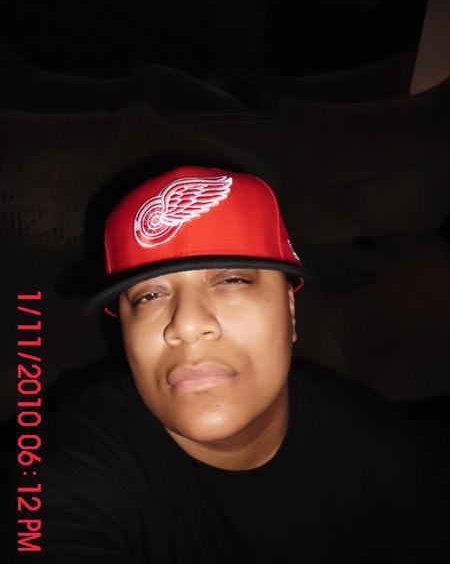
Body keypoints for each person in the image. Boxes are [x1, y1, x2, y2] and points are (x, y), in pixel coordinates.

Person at [7, 165, 449, 563]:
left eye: (232, 280)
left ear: (290, 312)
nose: (187, 325)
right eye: (149, 295)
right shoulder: (59, 477)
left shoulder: (382, 450)